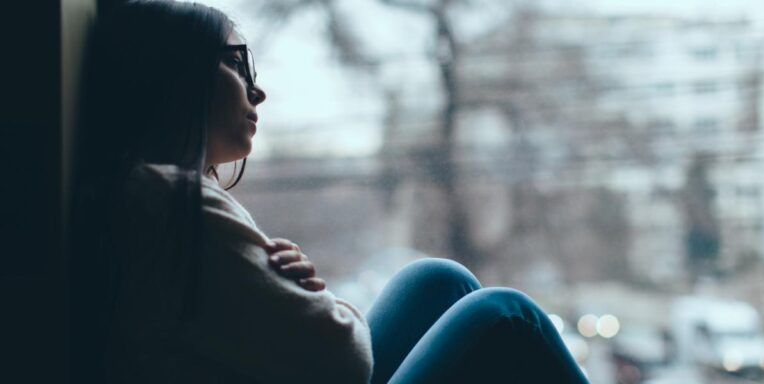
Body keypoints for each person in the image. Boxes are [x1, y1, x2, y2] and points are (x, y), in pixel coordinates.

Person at [68, 1, 590, 383]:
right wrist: (314, 301)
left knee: (437, 279)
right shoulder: (171, 201)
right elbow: (340, 361)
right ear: (175, 76)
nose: (257, 90)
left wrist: (293, 301)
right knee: (505, 314)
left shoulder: (147, 193)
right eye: (235, 62)